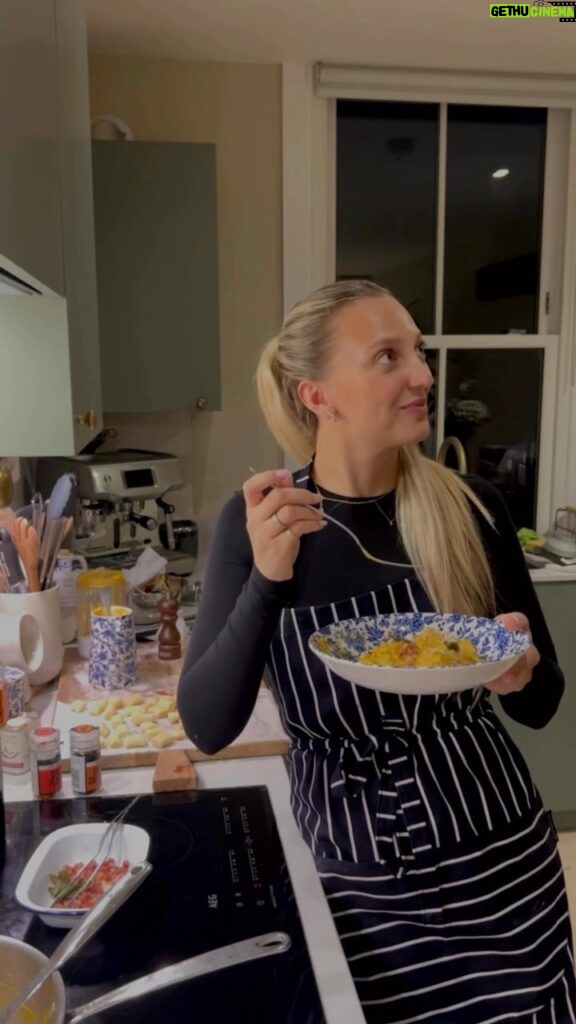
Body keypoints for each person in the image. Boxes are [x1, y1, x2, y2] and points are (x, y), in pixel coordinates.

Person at [177, 280, 575, 1023]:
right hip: (356, 876)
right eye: (388, 357)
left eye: (418, 353)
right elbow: (206, 723)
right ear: (319, 396)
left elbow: (547, 702)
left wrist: (519, 673)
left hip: (501, 862)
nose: (422, 375)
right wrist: (267, 581)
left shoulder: (472, 505)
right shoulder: (264, 519)